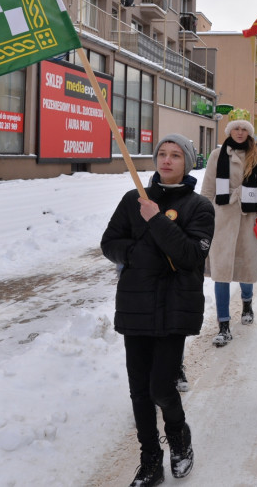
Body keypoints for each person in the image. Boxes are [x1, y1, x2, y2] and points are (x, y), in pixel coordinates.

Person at [100, 134, 214, 486]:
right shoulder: (132, 198)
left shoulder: (200, 207)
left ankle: (179, 437)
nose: (166, 160)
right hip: (135, 303)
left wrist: (156, 220)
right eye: (162, 154)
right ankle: (150, 459)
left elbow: (193, 256)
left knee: (161, 388)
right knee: (138, 390)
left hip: (174, 307)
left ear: (188, 162)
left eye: (175, 155)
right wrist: (134, 255)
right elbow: (109, 243)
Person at [200, 110, 257, 346]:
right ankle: (223, 325)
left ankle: (247, 303)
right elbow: (208, 190)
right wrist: (208, 214)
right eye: (236, 129)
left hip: (249, 219)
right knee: (221, 272)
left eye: (244, 129)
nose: (239, 133)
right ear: (229, 131)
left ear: (248, 133)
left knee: (245, 266)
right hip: (222, 220)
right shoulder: (217, 155)